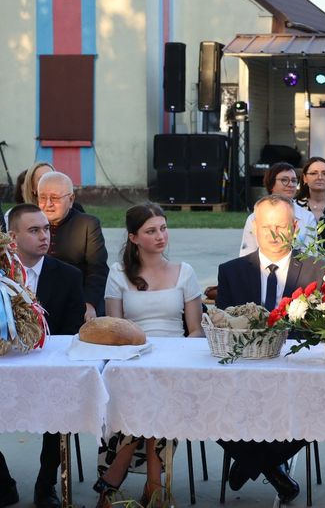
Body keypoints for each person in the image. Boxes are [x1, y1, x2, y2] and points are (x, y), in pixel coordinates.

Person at [0, 203, 85, 508]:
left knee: (63, 401)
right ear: (12, 238)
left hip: (50, 372)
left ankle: (46, 484)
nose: (44, 236)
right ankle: (1, 484)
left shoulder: (69, 276)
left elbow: (70, 333)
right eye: (34, 230)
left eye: (46, 229)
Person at [215, 195, 325, 504]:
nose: (274, 234)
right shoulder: (231, 271)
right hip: (244, 368)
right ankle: (271, 468)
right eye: (266, 227)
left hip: (298, 370)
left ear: (295, 227)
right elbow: (224, 324)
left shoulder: (318, 270)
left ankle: (249, 462)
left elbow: (323, 329)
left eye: (281, 226)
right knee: (206, 401)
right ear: (254, 227)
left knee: (324, 403)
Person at [94, 203, 203, 506]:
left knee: (159, 390)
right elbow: (114, 331)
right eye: (151, 231)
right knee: (145, 391)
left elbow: (196, 331)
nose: (160, 236)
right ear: (133, 238)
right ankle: (155, 487)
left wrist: (176, 357)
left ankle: (114, 478)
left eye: (163, 228)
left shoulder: (185, 272)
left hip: (175, 362)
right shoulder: (118, 274)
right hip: (132, 360)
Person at [37, 171, 108, 321]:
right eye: (42, 198)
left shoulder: (87, 224)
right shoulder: (30, 225)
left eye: (55, 198)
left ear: (70, 200)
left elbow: (97, 269)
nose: (48, 204)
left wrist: (90, 303)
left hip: (77, 300)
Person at [239, 162, 317, 255]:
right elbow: (247, 254)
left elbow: (310, 255)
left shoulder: (307, 217)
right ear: (271, 184)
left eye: (294, 180)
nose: (290, 184)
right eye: (284, 180)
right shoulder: (254, 218)